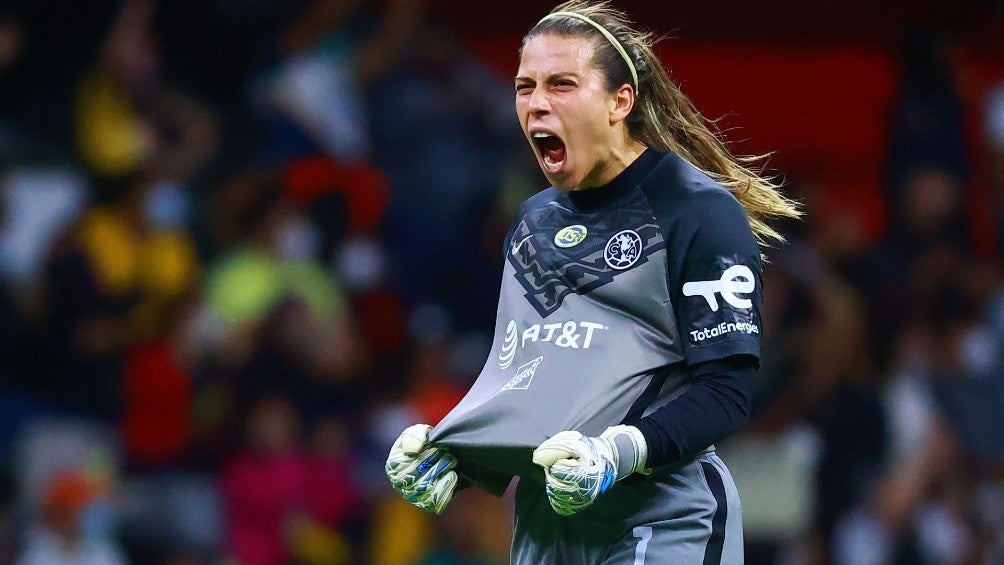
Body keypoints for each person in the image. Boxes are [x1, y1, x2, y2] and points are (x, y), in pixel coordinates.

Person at [385, 1, 801, 563]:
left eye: (561, 85)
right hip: (546, 521)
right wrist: (456, 456)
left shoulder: (695, 210)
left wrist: (618, 453)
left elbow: (726, 394)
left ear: (619, 102)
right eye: (524, 87)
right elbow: (535, 382)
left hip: (663, 516)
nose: (537, 104)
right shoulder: (532, 223)